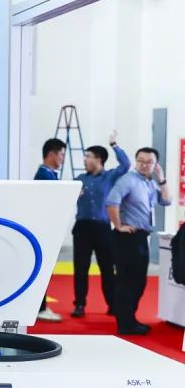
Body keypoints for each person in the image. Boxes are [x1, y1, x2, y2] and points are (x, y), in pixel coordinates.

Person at [106, 147, 172, 335]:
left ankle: (129, 318)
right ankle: (125, 323)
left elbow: (167, 201)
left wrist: (162, 179)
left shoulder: (149, 183)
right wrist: (119, 225)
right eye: (141, 161)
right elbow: (111, 202)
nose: (144, 165)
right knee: (127, 281)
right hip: (127, 238)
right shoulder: (128, 180)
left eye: (149, 162)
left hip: (141, 237)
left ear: (155, 164)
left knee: (138, 281)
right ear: (136, 162)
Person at [70, 132, 130, 318]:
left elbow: (126, 165)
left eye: (88, 156)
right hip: (82, 228)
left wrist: (114, 145)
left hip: (103, 228)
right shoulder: (79, 179)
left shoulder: (110, 177)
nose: (85, 160)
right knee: (81, 268)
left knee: (107, 269)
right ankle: (79, 304)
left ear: (99, 159)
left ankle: (113, 304)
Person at [34, 138, 67, 321]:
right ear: (52, 154)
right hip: (44, 229)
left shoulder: (49, 174)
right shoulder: (44, 176)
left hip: (46, 228)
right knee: (43, 270)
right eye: (61, 154)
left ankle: (41, 306)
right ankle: (40, 307)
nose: (62, 158)